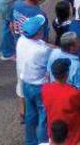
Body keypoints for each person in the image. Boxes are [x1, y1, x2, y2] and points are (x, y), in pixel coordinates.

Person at [15, 15, 52, 145]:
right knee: (43, 116)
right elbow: (49, 52)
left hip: (26, 84)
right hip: (39, 87)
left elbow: (43, 44)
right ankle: (42, 142)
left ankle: (30, 141)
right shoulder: (42, 51)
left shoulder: (21, 40)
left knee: (30, 115)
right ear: (38, 33)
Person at [41, 58, 80, 145]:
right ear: (67, 74)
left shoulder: (45, 88)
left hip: (55, 134)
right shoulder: (74, 93)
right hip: (74, 135)